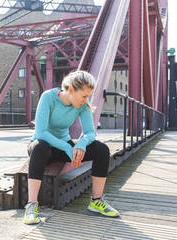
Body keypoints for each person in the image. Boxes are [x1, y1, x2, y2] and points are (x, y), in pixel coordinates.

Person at [24, 70, 119, 225]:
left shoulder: (82, 105)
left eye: (88, 96)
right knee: (39, 148)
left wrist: (80, 144)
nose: (85, 99)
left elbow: (90, 132)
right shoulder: (48, 97)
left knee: (102, 149)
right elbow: (41, 132)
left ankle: (96, 201)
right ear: (70, 90)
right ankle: (32, 205)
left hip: (64, 145)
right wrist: (68, 148)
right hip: (43, 145)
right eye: (83, 96)